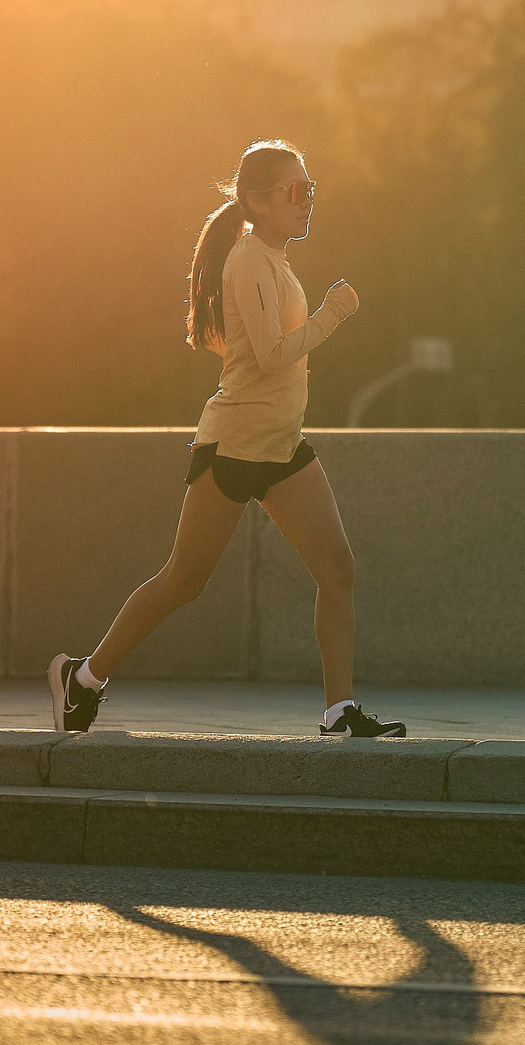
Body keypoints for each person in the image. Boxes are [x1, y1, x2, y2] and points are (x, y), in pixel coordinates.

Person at [47, 140, 407, 738]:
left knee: (337, 570)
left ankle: (340, 711)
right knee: (184, 580)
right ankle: (82, 679)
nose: (307, 200)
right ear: (260, 202)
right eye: (297, 191)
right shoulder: (247, 260)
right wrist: (333, 314)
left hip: (282, 446)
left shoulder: (274, 259)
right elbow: (269, 358)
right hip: (235, 446)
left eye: (310, 188)